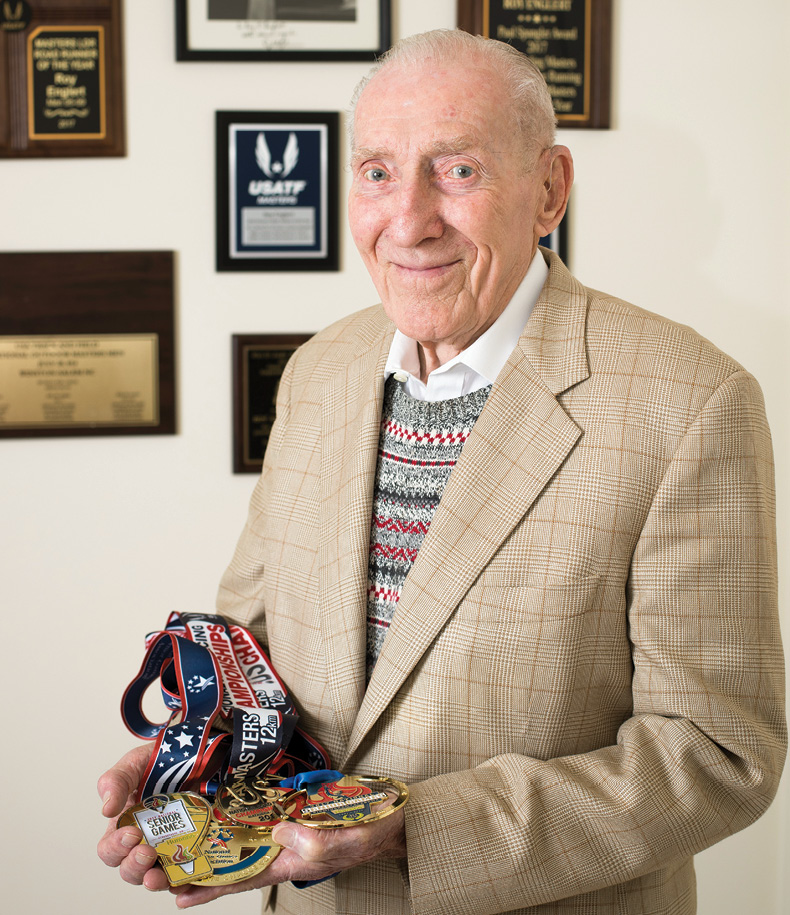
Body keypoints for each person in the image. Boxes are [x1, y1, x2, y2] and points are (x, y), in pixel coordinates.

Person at [97, 29, 786, 915]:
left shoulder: (690, 400)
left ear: (549, 190)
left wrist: (412, 827)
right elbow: (249, 648)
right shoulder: (321, 369)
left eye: (456, 171)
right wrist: (186, 762)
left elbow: (719, 754)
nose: (409, 218)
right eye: (378, 172)